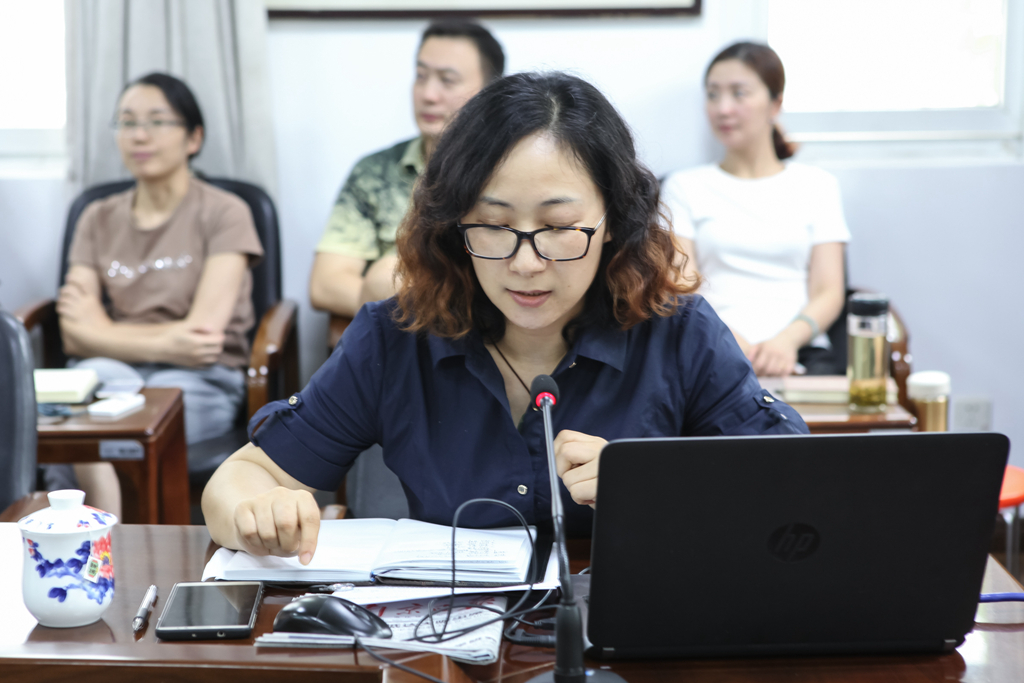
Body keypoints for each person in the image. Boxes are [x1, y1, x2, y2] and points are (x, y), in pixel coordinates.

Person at [202, 71, 808, 564]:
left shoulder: (677, 331)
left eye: (558, 226)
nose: (525, 263)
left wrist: (660, 486)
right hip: (443, 641)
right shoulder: (396, 336)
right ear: (455, 224)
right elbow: (241, 477)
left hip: (630, 636)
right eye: (493, 225)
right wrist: (256, 512)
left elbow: (796, 488)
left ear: (614, 221)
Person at [55, 73, 264, 517]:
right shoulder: (96, 216)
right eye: (127, 122)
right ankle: (95, 533)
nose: (139, 135)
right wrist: (168, 341)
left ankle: (112, 531)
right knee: (78, 411)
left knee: (124, 424)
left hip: (201, 379)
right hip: (108, 371)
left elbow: (202, 339)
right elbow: (73, 334)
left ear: (194, 138)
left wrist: (102, 330)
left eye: (156, 121)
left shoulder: (226, 212)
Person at [661, 42, 850, 377]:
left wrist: (785, 342)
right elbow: (681, 285)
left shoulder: (817, 186)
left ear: (775, 104)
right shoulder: (683, 186)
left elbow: (829, 292)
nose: (723, 109)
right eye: (713, 95)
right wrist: (734, 345)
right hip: (711, 350)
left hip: (801, 355)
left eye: (739, 93)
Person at [308, 20, 505, 320]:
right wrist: (417, 306)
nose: (428, 94)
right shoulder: (374, 172)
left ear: (489, 94)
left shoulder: (511, 171)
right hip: (402, 331)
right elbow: (326, 284)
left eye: (447, 80)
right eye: (421, 76)